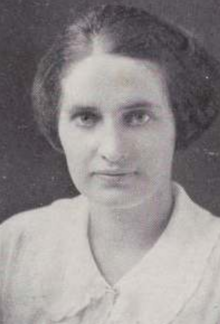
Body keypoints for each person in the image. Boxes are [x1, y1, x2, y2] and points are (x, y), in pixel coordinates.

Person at [0, 4, 220, 324]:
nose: (113, 150)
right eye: (86, 118)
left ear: (179, 120)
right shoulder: (14, 248)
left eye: (138, 117)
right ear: (56, 125)